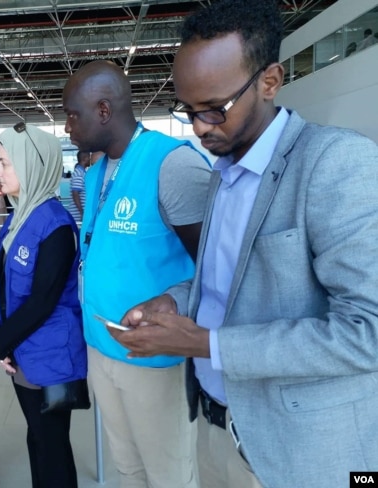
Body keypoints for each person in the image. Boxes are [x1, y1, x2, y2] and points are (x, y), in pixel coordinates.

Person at [110, 1, 378, 488]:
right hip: (217, 424)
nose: (199, 128)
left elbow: (368, 332)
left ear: (270, 81)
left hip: (299, 448)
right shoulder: (224, 171)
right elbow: (224, 286)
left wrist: (204, 343)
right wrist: (174, 301)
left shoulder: (335, 164)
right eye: (187, 111)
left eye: (215, 108)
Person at [62, 60, 210, 488]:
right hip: (101, 346)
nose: (68, 126)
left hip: (153, 356)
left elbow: (218, 270)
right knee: (127, 469)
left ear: (104, 111)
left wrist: (173, 304)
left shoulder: (171, 165)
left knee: (168, 474)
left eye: (74, 114)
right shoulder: (96, 173)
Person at [0, 123, 87, 488]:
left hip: (50, 356)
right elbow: (7, 289)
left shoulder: (55, 225)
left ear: (31, 166)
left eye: (5, 164)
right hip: (23, 351)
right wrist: (5, 341)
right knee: (37, 437)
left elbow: (43, 301)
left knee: (51, 444)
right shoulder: (18, 215)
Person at [69, 150, 90, 222]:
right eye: (89, 157)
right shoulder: (78, 173)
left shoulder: (82, 173)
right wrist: (82, 212)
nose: (90, 159)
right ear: (84, 159)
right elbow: (75, 193)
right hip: (77, 216)